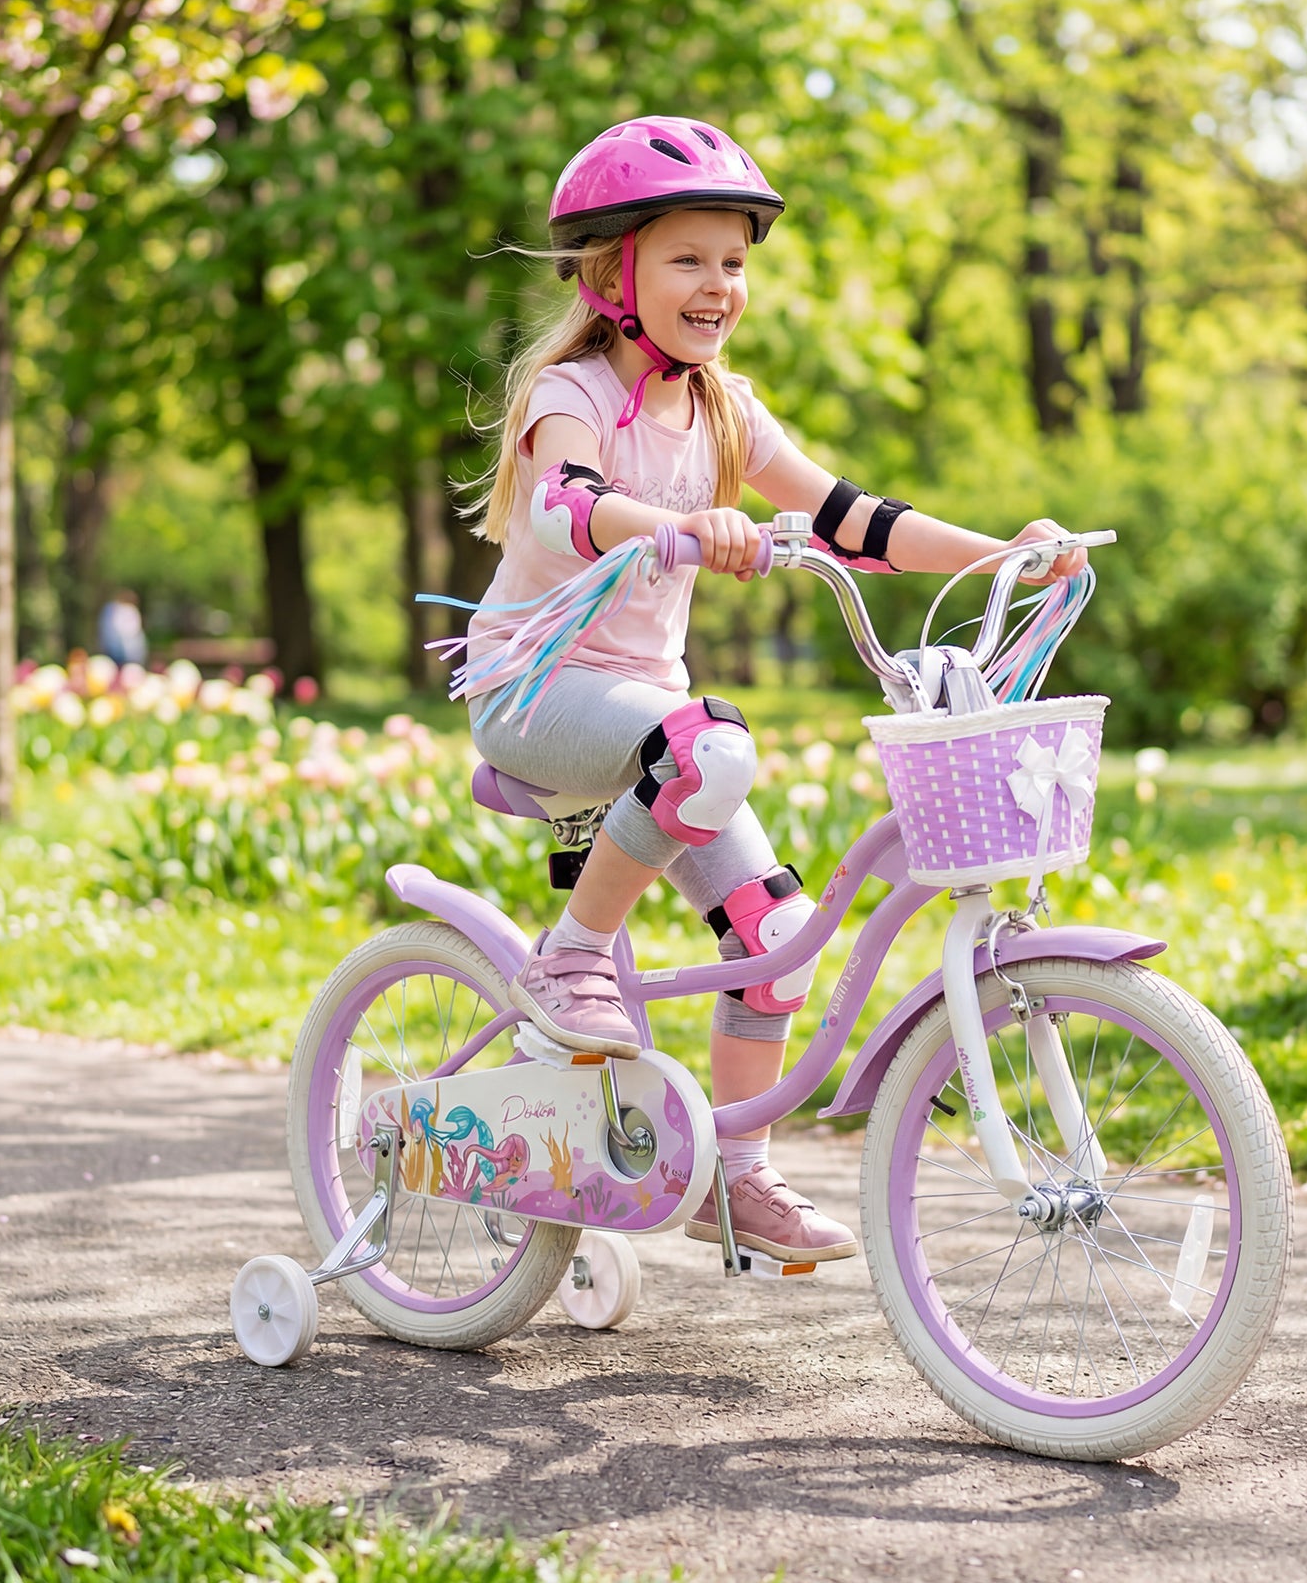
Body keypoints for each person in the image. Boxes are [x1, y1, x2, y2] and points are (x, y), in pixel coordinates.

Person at [457, 116, 1084, 1264]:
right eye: (689, 258)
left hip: (649, 711)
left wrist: (1003, 553)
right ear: (613, 276)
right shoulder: (574, 392)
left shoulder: (726, 410)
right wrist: (676, 526)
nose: (718, 285)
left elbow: (852, 519)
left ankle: (732, 1176)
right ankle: (571, 957)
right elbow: (567, 502)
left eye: (734, 262)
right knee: (711, 745)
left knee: (778, 937)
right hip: (534, 690)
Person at [97, 588, 147, 668]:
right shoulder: (127, 610)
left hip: (120, 649)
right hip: (126, 650)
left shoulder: (111, 609)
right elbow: (133, 630)